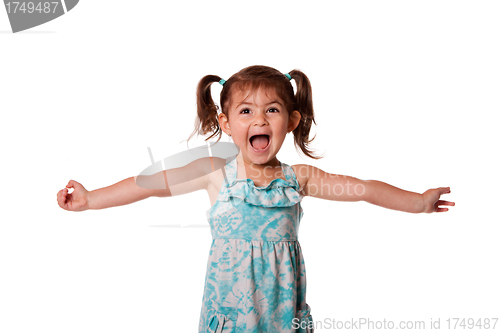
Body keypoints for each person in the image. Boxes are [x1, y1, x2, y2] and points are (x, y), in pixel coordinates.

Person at [57, 65, 455, 332]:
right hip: (229, 314)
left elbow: (363, 188)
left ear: (292, 121)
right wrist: (91, 199)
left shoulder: (298, 179)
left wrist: (417, 202)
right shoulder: (216, 172)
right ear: (227, 123)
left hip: (283, 311)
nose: (260, 120)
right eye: (246, 111)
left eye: (272, 110)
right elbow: (151, 183)